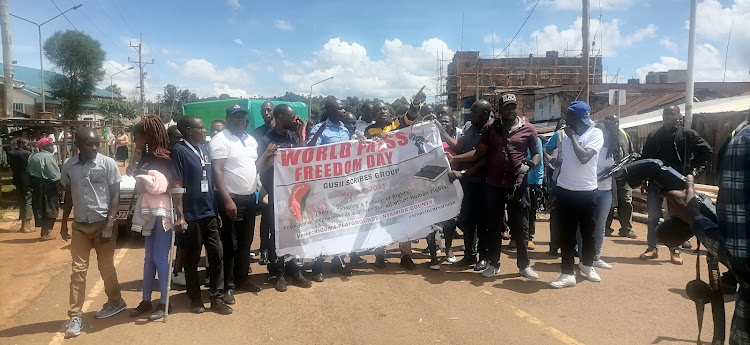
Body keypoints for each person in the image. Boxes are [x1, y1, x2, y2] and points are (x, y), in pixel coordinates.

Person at [663, 125, 750, 344]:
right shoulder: (659, 136)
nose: (668, 119)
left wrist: (694, 217)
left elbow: (740, 255)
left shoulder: (743, 142)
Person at [450, 94, 540, 279]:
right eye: (506, 106)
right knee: (493, 226)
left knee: (521, 226)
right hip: (494, 184)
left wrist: (530, 164)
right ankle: (494, 263)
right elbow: (478, 153)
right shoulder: (491, 128)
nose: (510, 110)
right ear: (499, 109)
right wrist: (455, 158)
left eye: (513, 106)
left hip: (518, 185)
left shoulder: (528, 129)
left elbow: (536, 154)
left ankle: (524, 265)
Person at [60, 128, 125, 338]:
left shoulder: (108, 164)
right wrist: (63, 223)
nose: (95, 147)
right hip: (79, 225)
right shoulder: (69, 166)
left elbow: (115, 196)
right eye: (89, 144)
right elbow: (69, 195)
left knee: (105, 266)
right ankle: (75, 315)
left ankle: (116, 301)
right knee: (78, 271)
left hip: (103, 224)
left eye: (97, 143)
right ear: (78, 144)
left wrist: (109, 224)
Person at [172, 115, 232, 315]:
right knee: (192, 258)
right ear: (189, 130)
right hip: (191, 215)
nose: (205, 130)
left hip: (209, 213)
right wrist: (180, 215)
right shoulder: (179, 151)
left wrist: (216, 210)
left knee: (217, 255)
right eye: (200, 127)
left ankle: (217, 297)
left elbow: (211, 182)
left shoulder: (204, 150)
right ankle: (195, 299)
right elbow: (177, 185)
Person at [639, 105, 712, 264]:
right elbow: (645, 160)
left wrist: (692, 171)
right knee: (652, 217)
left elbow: (706, 151)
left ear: (679, 116)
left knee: (677, 217)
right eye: (665, 114)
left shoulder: (687, 135)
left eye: (671, 114)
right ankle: (652, 248)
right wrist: (644, 180)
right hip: (655, 183)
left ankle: (675, 249)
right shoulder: (654, 136)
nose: (667, 117)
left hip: (677, 182)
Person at [210, 104, 263, 305]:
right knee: (229, 245)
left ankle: (242, 279)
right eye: (235, 117)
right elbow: (217, 171)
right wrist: (227, 200)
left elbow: (253, 167)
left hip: (250, 199)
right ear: (228, 118)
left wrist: (268, 156)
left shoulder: (250, 140)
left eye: (242, 117)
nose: (239, 120)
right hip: (231, 200)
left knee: (245, 243)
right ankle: (227, 286)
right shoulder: (221, 140)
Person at [257, 104, 313, 292]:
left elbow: (302, 159)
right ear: (280, 117)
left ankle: (294, 269)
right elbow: (260, 169)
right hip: (276, 195)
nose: (294, 120)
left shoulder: (291, 135)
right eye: (291, 117)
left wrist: (300, 134)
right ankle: (277, 271)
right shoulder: (266, 140)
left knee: (294, 232)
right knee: (277, 235)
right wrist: (272, 157)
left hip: (294, 194)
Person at [365, 91, 423, 270]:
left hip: (401, 178)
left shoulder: (397, 124)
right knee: (379, 218)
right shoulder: (369, 131)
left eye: (385, 109)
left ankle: (406, 255)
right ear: (373, 116)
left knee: (404, 216)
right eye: (379, 110)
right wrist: (373, 141)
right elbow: (365, 152)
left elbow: (411, 116)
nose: (383, 112)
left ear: (390, 113)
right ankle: (379, 253)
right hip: (379, 182)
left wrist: (414, 104)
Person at [548, 101, 604, 289]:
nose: (565, 119)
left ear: (577, 118)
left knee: (588, 233)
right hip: (565, 191)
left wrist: (572, 138)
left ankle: (587, 265)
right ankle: (567, 273)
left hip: (587, 191)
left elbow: (584, 158)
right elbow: (564, 163)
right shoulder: (564, 135)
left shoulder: (595, 133)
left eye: (569, 116)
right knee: (567, 234)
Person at [127, 115, 176, 321]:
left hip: (163, 213)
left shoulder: (165, 157)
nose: (133, 141)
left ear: (146, 136)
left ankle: (165, 302)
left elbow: (164, 187)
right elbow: (138, 183)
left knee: (159, 257)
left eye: (136, 137)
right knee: (148, 259)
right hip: (148, 213)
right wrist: (134, 160)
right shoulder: (146, 158)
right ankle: (146, 300)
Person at [306, 97, 355, 280]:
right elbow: (309, 151)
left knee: (341, 224)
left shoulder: (344, 128)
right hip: (325, 185)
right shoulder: (321, 129)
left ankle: (338, 260)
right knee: (322, 225)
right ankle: (317, 265)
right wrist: (317, 134)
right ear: (330, 110)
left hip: (343, 185)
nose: (343, 111)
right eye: (340, 108)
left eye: (343, 109)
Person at [443, 101, 492, 270]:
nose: (471, 114)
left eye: (475, 111)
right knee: (467, 220)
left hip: (483, 183)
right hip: (468, 183)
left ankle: (483, 257)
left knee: (482, 222)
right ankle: (469, 255)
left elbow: (480, 156)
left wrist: (456, 161)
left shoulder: (490, 129)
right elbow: (458, 146)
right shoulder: (471, 128)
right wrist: (440, 130)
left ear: (485, 113)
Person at [576, 117, 620, 270]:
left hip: (605, 191)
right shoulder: (590, 145)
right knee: (585, 224)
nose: (599, 132)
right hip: (588, 190)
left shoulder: (614, 148)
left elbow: (619, 174)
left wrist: (617, 172)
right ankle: (582, 256)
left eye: (602, 130)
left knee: (600, 225)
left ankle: (596, 256)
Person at [604, 115, 637, 239]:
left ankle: (626, 229)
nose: (615, 125)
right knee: (608, 202)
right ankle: (605, 227)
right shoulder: (602, 136)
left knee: (626, 201)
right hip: (607, 176)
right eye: (612, 122)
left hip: (624, 175)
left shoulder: (624, 134)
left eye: (617, 122)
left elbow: (631, 152)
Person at [27, 137, 61, 241]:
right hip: (48, 185)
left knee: (40, 207)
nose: (52, 147)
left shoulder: (32, 156)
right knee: (51, 207)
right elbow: (54, 175)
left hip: (35, 184)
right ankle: (46, 233)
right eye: (51, 145)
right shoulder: (48, 157)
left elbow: (28, 170)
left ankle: (43, 231)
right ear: (45, 147)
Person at [543, 119, 567, 256]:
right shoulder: (558, 135)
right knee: (556, 212)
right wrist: (552, 160)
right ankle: (554, 245)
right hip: (557, 177)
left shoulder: (583, 135)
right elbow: (545, 149)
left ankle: (571, 246)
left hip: (576, 181)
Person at [8, 137, 33, 233]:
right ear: (21, 144)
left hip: (17, 181)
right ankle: (27, 226)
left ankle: (23, 226)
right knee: (28, 201)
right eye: (27, 144)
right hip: (27, 181)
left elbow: (10, 165)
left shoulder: (11, 154)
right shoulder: (28, 154)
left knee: (21, 201)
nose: (28, 146)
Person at [526, 135, 544, 251]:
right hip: (515, 180)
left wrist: (539, 181)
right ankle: (514, 236)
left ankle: (529, 237)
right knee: (515, 209)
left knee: (531, 209)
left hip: (532, 181)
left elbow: (540, 161)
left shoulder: (536, 140)